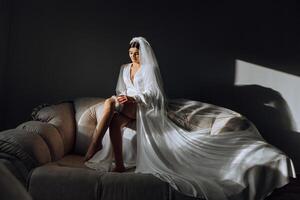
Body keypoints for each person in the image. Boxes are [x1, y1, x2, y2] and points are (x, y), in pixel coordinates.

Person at [84, 36, 296, 200]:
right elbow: (120, 88)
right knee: (113, 116)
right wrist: (123, 95)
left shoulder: (149, 69)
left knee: (110, 104)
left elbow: (154, 94)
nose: (133, 57)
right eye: (130, 53)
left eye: (136, 54)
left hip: (141, 106)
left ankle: (92, 148)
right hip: (126, 103)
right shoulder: (124, 68)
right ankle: (119, 164)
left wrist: (132, 97)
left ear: (143, 54)